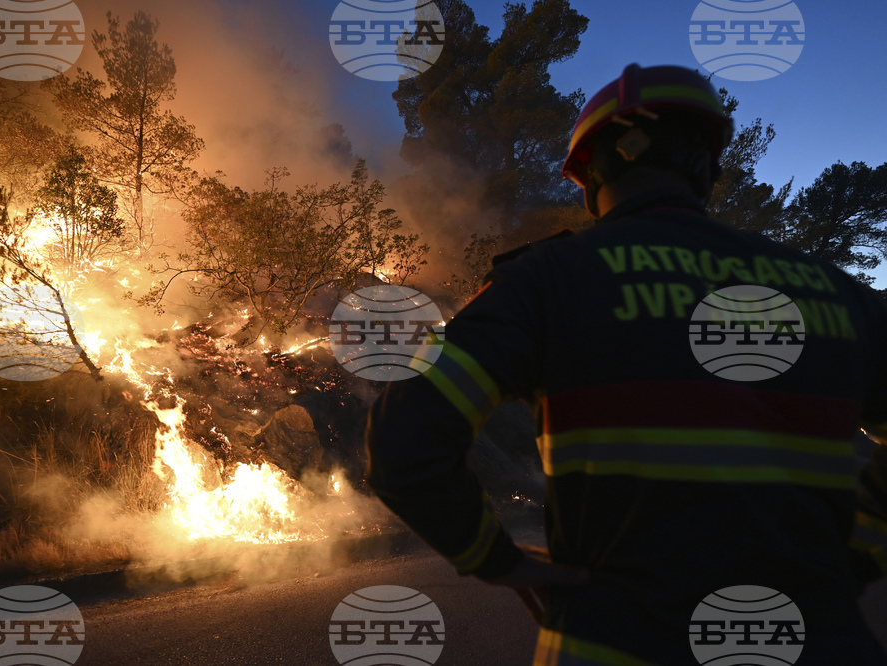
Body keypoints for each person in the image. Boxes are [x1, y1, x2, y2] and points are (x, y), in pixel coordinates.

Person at [365, 63, 887, 665]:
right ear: (706, 168)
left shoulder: (546, 279)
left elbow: (404, 438)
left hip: (609, 644)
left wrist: (492, 557)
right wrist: (859, 549)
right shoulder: (835, 292)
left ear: (591, 175)